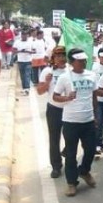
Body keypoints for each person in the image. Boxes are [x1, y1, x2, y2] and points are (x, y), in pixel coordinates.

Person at [52, 48, 99, 197]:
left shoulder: (92, 75)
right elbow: (55, 96)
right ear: (72, 62)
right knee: (71, 153)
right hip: (71, 121)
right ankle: (71, 182)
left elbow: (94, 96)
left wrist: (95, 115)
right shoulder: (65, 78)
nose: (84, 62)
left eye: (84, 60)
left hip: (88, 120)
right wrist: (67, 98)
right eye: (80, 60)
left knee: (91, 150)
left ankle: (84, 171)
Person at [36, 46, 68, 178]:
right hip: (54, 109)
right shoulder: (47, 71)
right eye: (58, 56)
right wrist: (47, 83)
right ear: (53, 58)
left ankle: (68, 156)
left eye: (63, 55)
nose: (61, 58)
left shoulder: (71, 70)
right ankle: (56, 166)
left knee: (70, 137)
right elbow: (40, 91)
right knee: (54, 139)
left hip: (69, 109)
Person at [12, 29, 34, 95]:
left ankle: (27, 89)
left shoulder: (30, 42)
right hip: (20, 61)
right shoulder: (17, 42)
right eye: (23, 35)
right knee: (22, 76)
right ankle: (24, 88)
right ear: (21, 35)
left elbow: (34, 51)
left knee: (27, 75)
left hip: (28, 61)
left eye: (26, 35)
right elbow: (13, 51)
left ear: (27, 35)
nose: (24, 36)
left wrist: (28, 51)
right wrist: (20, 51)